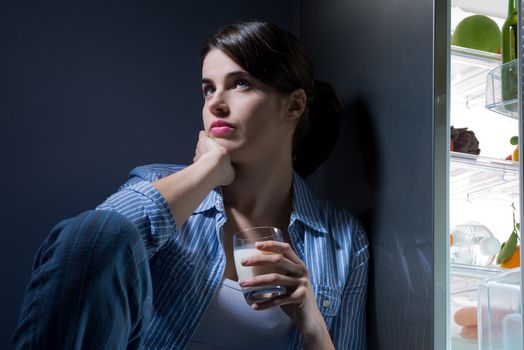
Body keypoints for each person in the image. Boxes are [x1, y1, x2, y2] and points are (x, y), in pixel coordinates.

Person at [13, 20, 369, 349]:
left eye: (240, 83)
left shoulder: (343, 240)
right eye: (208, 89)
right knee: (97, 230)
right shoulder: (161, 185)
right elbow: (87, 250)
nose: (215, 102)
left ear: (294, 105)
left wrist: (312, 323)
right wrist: (208, 171)